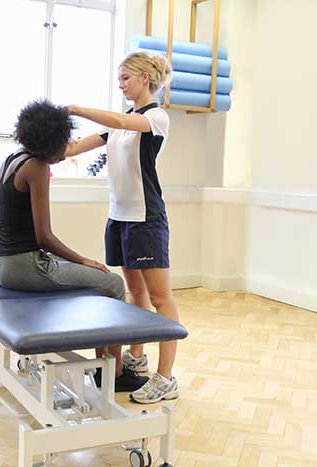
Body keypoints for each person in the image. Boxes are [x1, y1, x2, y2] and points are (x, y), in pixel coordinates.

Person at [0, 100, 148, 392]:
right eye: (63, 143)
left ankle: (104, 363)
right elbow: (44, 237)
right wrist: (83, 260)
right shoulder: (36, 167)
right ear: (50, 139)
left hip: (2, 265)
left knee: (97, 283)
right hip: (25, 266)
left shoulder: (13, 158)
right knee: (112, 283)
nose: (65, 151)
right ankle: (112, 376)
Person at [64, 52, 181, 404]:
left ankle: (165, 377)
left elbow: (117, 120)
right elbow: (79, 146)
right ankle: (136, 355)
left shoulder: (156, 117)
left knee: (160, 298)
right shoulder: (121, 122)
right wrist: (42, 146)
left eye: (125, 78)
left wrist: (75, 108)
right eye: (119, 79)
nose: (121, 84)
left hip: (146, 218)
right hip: (119, 217)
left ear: (145, 78)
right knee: (135, 294)